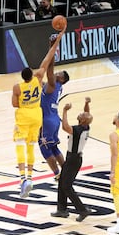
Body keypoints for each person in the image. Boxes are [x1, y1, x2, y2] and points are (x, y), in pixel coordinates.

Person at [12, 28, 65, 198]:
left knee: (21, 145)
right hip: (38, 116)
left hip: (27, 116)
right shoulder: (39, 79)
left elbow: (14, 104)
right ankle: (30, 177)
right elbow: (47, 59)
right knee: (32, 147)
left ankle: (24, 179)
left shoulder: (18, 87)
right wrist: (55, 43)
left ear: (22, 76)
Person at [50, 97, 93, 221]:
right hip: (73, 158)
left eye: (83, 114)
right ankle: (61, 209)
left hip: (73, 159)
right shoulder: (86, 127)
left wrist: (64, 111)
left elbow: (65, 127)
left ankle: (82, 210)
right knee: (62, 182)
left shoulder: (78, 130)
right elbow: (87, 114)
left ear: (83, 120)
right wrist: (86, 103)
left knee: (66, 186)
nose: (82, 113)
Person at [38, 45, 69, 180]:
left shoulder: (53, 83)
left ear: (62, 80)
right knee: (54, 147)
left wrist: (52, 49)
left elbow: (49, 70)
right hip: (54, 119)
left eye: (59, 74)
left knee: (44, 147)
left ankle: (57, 173)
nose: (57, 74)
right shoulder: (56, 87)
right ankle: (67, 171)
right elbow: (42, 83)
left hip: (47, 120)